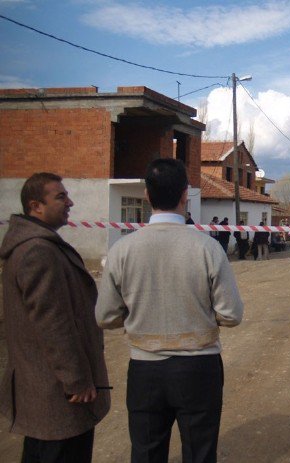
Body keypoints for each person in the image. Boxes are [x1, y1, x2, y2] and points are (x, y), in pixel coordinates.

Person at [96, 159, 244, 463]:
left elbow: (105, 317)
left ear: (148, 196)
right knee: (199, 453)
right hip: (199, 368)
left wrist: (138, 313)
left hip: (145, 369)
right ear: (184, 195)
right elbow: (231, 315)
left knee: (147, 452)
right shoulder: (207, 248)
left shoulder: (122, 250)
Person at [0, 172, 111, 463]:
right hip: (58, 394)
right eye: (60, 197)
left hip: (46, 390)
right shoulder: (38, 251)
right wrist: (76, 380)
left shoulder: (37, 245)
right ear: (36, 205)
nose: (70, 202)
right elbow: (53, 324)